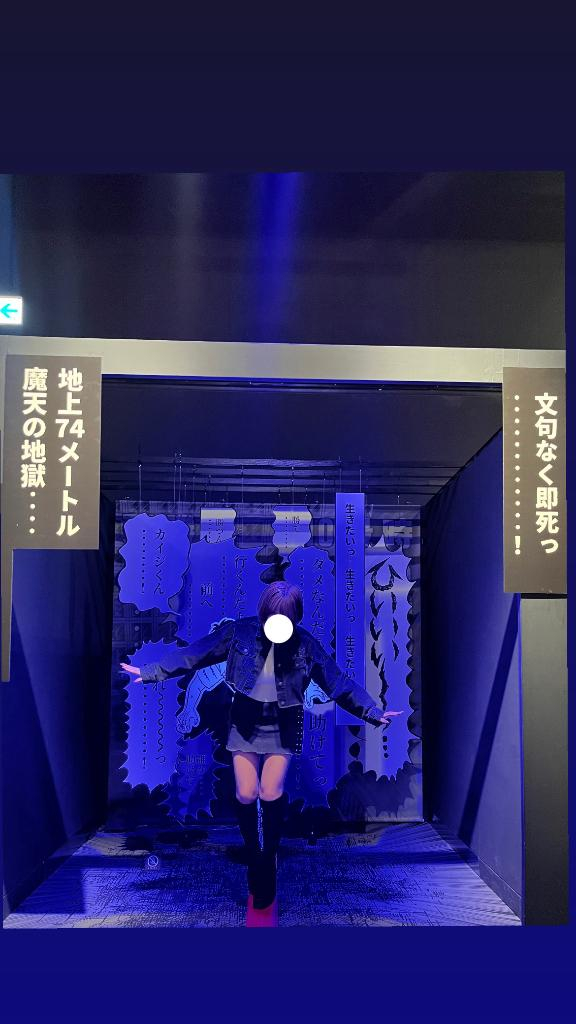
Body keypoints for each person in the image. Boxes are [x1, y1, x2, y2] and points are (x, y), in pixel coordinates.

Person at [121, 580, 402, 913]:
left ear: (295, 617)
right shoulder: (239, 632)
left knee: (269, 792)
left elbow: (337, 681)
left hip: (282, 723)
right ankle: (254, 850)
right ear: (264, 612)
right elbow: (197, 653)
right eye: (273, 616)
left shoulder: (304, 644)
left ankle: (266, 859)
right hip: (245, 719)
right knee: (245, 793)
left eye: (286, 617)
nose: (278, 623)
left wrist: (372, 711)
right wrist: (153, 671)